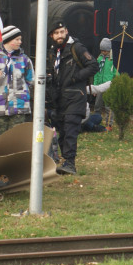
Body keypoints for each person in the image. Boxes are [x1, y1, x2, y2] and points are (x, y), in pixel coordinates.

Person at [47, 20, 98, 175]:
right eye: (56, 33)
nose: (60, 35)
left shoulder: (77, 48)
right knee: (61, 131)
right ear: (52, 36)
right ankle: (65, 161)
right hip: (60, 98)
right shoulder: (52, 52)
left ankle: (70, 163)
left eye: (62, 32)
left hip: (76, 96)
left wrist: (76, 77)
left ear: (66, 31)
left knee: (70, 130)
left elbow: (93, 66)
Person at [0, 24, 34, 138]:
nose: (20, 42)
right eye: (17, 39)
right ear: (8, 40)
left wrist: (23, 94)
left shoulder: (24, 59)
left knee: (17, 140)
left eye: (20, 39)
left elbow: (31, 81)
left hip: (19, 107)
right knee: (1, 141)